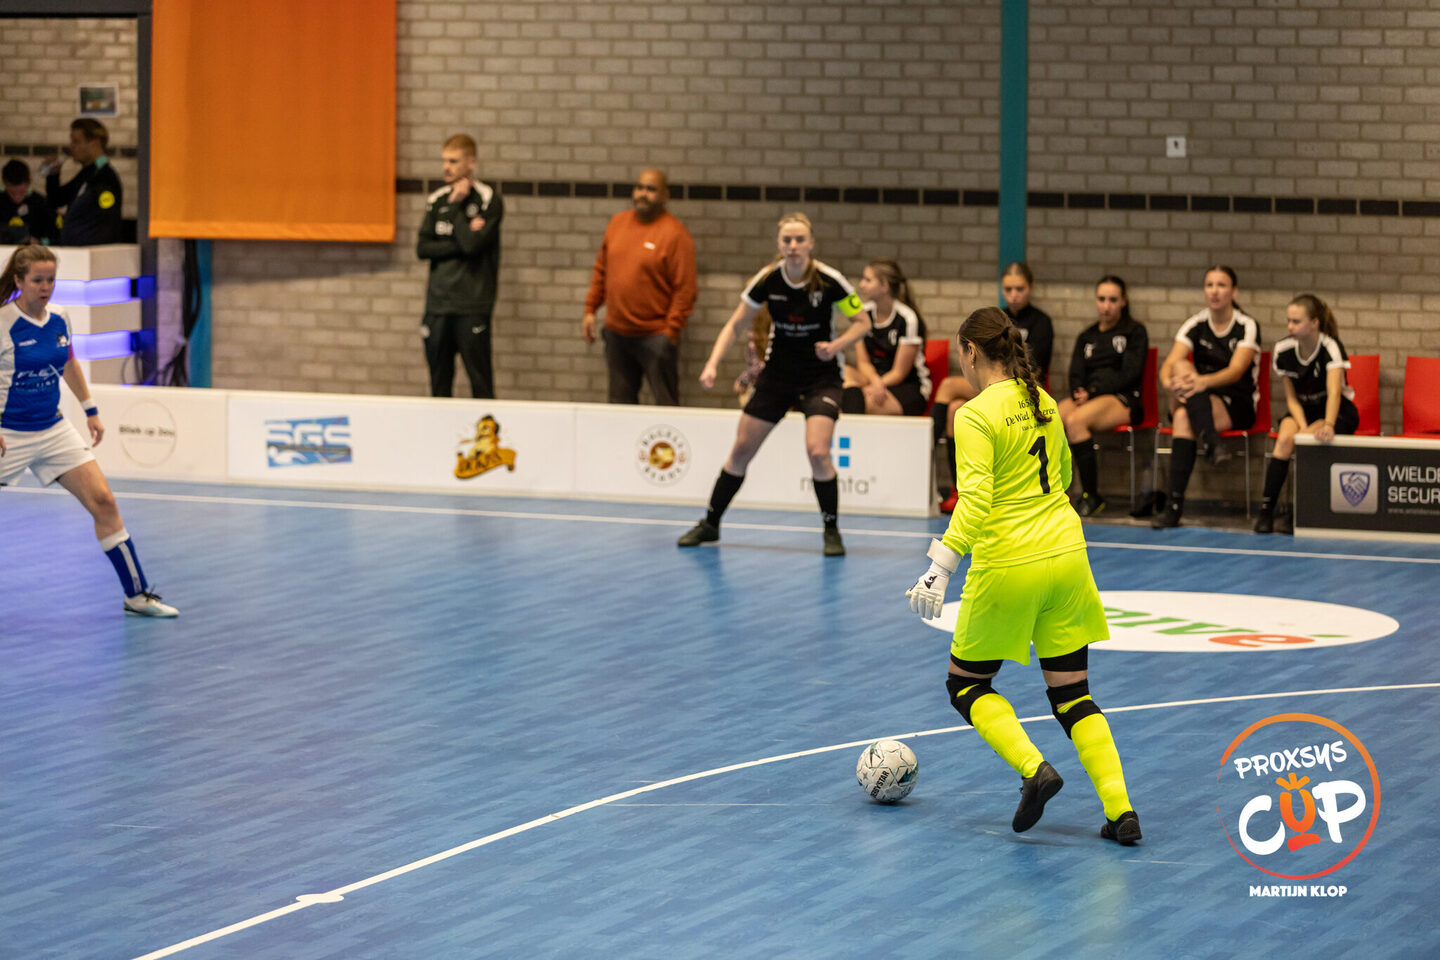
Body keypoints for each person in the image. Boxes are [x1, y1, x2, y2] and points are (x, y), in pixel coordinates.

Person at [905, 306, 1139, 844]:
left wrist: (940, 567)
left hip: (1010, 562)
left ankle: (1035, 770)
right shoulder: (1045, 402)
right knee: (1073, 695)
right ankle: (1121, 811)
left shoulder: (973, 415)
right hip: (1068, 556)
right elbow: (1064, 476)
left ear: (970, 351)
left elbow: (975, 500)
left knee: (966, 684)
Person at [676, 213, 870, 556]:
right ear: (779, 244)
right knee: (740, 450)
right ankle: (710, 523)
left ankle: (831, 530)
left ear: (810, 243)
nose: (793, 246)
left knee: (818, 451)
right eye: (787, 240)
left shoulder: (830, 281)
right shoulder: (767, 280)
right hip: (778, 376)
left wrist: (836, 346)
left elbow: (862, 322)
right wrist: (712, 364)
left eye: (799, 240)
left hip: (821, 377)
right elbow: (736, 324)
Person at [0, 245, 177, 617]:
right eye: (37, 280)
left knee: (104, 501)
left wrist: (90, 410)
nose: (45, 287)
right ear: (18, 280)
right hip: (7, 433)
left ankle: (136, 595)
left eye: (51, 280)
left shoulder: (60, 317)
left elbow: (68, 363)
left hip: (52, 430)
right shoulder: (3, 322)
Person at [935, 262, 1052, 512]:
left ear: (1030, 288)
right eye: (1008, 289)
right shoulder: (997, 318)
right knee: (954, 409)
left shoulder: (1041, 322)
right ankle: (958, 488)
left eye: (1019, 289)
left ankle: (926, 450)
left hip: (1016, 385)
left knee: (948, 387)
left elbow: (1036, 367)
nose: (1014, 295)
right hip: (991, 385)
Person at [1152, 265, 1261, 529]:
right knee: (1180, 368)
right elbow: (1168, 366)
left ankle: (1173, 507)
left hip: (1237, 402)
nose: (1214, 291)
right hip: (1199, 398)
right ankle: (1210, 441)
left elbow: (1236, 371)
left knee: (1181, 418)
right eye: (1209, 285)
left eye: (1221, 285)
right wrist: (1169, 385)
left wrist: (1202, 382)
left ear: (1234, 291)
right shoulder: (1196, 323)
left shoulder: (1246, 325)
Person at [582, 169, 698, 405]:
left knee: (665, 406)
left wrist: (670, 331)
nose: (643, 194)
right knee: (620, 405)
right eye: (639, 187)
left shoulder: (675, 234)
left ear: (664, 195)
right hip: (617, 335)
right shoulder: (617, 224)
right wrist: (590, 310)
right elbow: (601, 270)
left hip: (655, 336)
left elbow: (685, 290)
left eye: (651, 189)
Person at [1255, 294, 1358, 534]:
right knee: (1284, 440)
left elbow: (1334, 393)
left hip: (1336, 411)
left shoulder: (1330, 347)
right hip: (1302, 410)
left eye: (1296, 321)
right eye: (1288, 321)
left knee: (1308, 442)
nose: (1290, 326)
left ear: (1314, 323)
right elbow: (1291, 397)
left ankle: (1301, 513)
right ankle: (1266, 511)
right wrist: (1301, 427)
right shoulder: (1283, 349)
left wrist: (1328, 424)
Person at [417, 133, 503, 398]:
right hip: (438, 306)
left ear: (471, 162)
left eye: (453, 161)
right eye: (444, 161)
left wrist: (455, 211)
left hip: (471, 306)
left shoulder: (488, 199)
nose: (447, 167)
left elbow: (473, 247)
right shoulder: (437, 200)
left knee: (480, 381)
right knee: (439, 382)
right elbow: (423, 249)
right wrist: (462, 233)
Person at [1059, 276, 1150, 517]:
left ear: (1123, 301)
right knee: (1052, 416)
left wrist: (1093, 392)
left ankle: (1091, 495)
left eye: (1112, 300)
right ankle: (1058, 493)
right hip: (1089, 397)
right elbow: (1075, 371)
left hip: (1123, 398)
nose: (1106, 306)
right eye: (1101, 299)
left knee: (1076, 420)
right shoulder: (1087, 335)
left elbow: (1130, 373)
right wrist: (1079, 391)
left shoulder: (1134, 332)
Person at [840, 259, 930, 416]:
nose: (861, 285)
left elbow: (899, 373)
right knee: (843, 372)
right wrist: (874, 382)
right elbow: (863, 363)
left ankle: (854, 420)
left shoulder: (907, 318)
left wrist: (878, 385)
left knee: (862, 403)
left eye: (868, 280)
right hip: (872, 378)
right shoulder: (864, 315)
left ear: (884, 286)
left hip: (906, 385)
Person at [41, 119, 123, 246]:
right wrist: (53, 175)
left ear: (94, 144)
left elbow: (107, 224)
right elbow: (56, 200)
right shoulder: (87, 174)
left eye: (76, 141)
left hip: (93, 251)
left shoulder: (105, 178)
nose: (71, 146)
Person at [2, 160, 52, 246]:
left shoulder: (40, 202)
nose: (17, 197)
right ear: (5, 184)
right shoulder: (1, 201)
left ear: (29, 182)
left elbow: (54, 235)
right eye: (13, 193)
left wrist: (40, 242)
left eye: (21, 192)